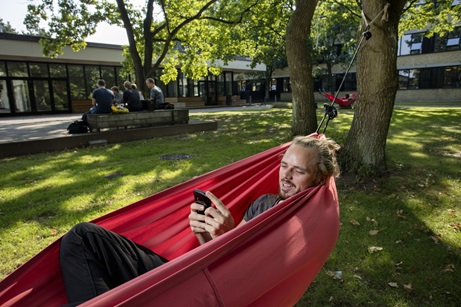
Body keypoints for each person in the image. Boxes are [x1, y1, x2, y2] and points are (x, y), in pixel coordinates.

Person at [59, 135, 340, 305]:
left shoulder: (303, 227)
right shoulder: (264, 202)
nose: (286, 176)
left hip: (204, 295)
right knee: (84, 237)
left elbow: (242, 280)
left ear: (317, 178)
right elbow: (213, 257)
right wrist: (205, 232)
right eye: (283, 166)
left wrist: (226, 235)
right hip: (191, 276)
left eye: (298, 171)